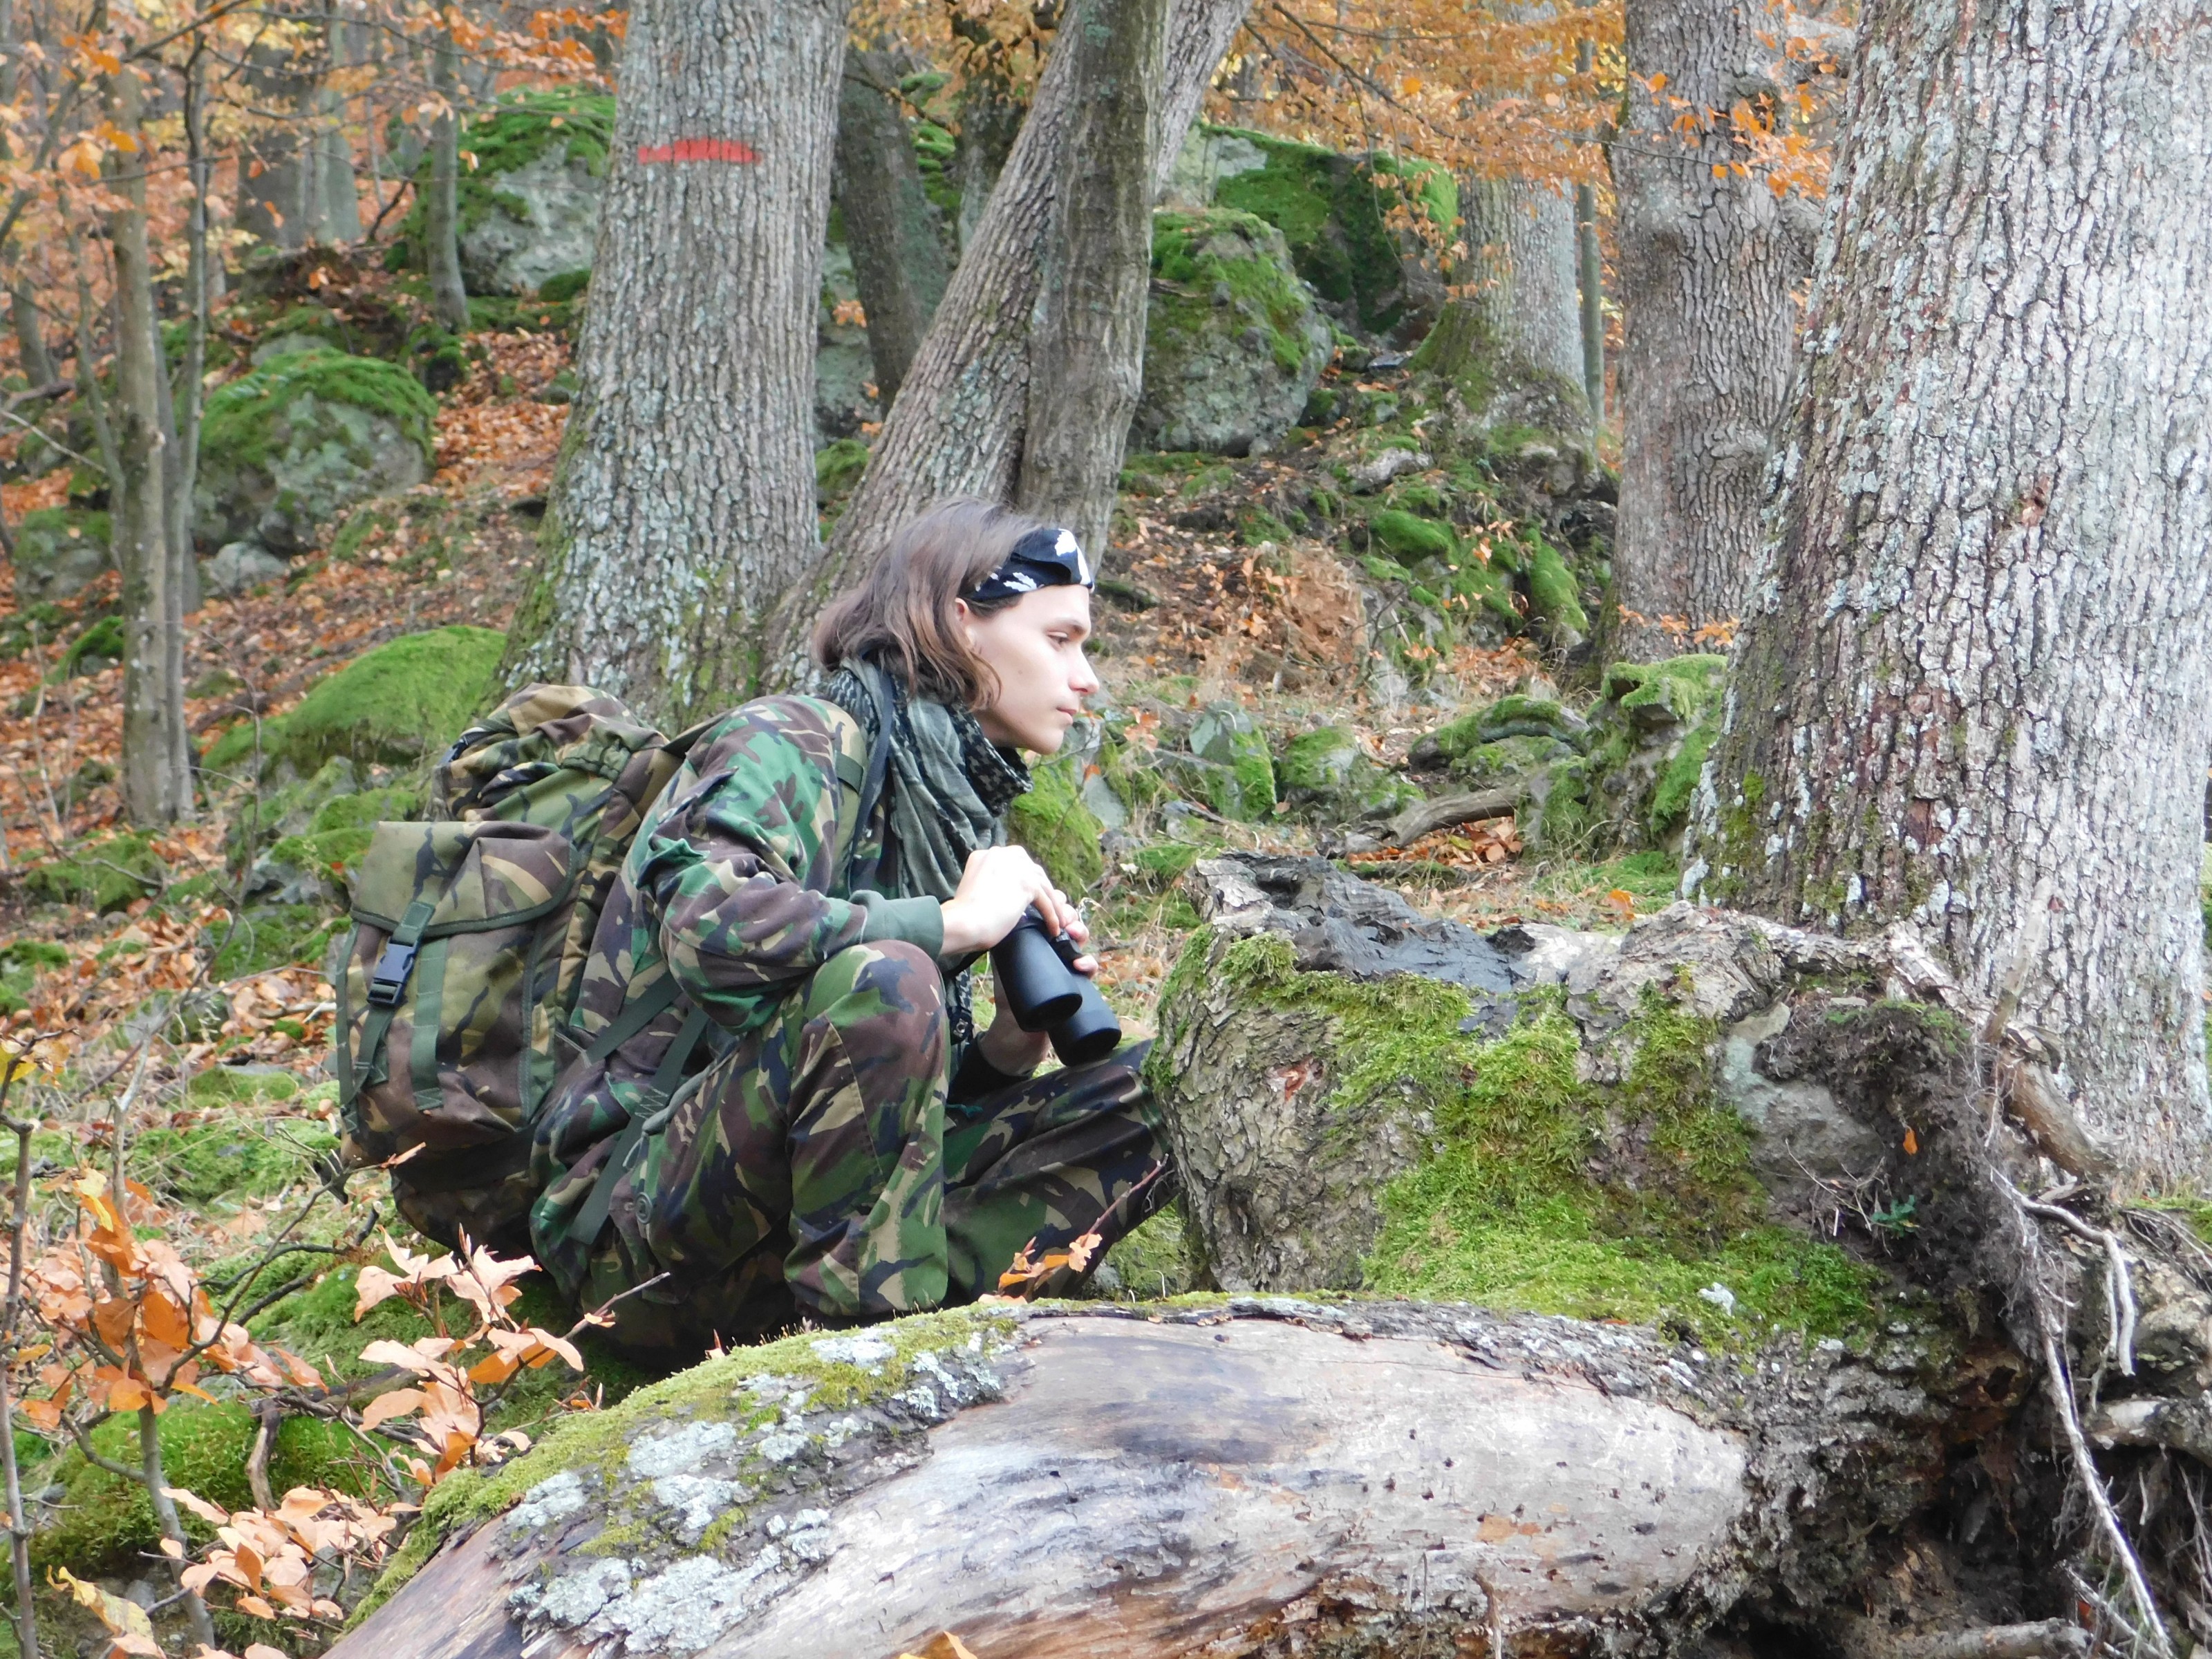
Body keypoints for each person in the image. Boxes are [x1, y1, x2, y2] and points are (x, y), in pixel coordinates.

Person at [527, 499, 1168, 1354]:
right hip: (639, 1236)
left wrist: (1006, 1049)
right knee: (887, 980)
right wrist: (949, 923)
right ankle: (879, 1362)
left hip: (804, 1238)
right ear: (962, 622)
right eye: (1059, 640)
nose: (1085, 678)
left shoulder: (943, 796)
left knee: (1166, 1091)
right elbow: (706, 929)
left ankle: (938, 1315)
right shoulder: (790, 741)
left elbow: (876, 1117)